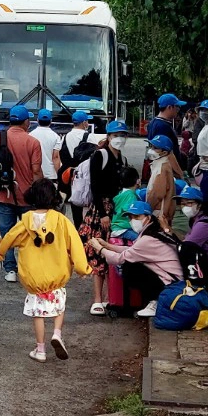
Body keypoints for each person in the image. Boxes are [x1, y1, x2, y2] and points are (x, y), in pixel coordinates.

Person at [0, 180, 91, 362]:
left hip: (34, 278)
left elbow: (10, 238)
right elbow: (75, 245)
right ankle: (57, 334)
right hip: (57, 275)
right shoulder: (62, 222)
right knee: (59, 306)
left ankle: (40, 349)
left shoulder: (26, 221)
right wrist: (83, 268)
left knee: (38, 313)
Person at [91, 199, 184, 319]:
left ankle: (155, 301)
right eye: (130, 217)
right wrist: (107, 246)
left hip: (172, 284)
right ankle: (154, 300)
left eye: (137, 216)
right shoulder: (151, 232)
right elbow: (132, 249)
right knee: (131, 263)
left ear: (148, 217)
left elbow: (120, 259)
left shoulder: (148, 239)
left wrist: (100, 248)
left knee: (130, 267)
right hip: (172, 279)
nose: (133, 220)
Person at [0, 105, 43, 282]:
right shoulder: (32, 142)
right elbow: (36, 171)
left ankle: (10, 269)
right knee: (31, 232)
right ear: (26, 122)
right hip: (27, 196)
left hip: (2, 193)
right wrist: (42, 190)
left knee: (7, 232)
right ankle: (28, 267)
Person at [81, 120, 131, 316]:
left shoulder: (122, 159)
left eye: (123, 135)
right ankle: (97, 299)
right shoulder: (100, 156)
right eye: (116, 135)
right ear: (108, 137)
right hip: (101, 211)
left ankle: (113, 296)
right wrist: (102, 214)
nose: (119, 138)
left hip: (118, 210)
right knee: (98, 254)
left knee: (114, 253)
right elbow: (95, 186)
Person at [143, 133, 185, 225]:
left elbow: (157, 194)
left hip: (158, 214)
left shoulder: (162, 168)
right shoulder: (159, 164)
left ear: (164, 152)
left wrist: (146, 209)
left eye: (155, 148)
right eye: (152, 146)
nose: (151, 150)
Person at [147, 93, 187, 168]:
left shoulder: (154, 122)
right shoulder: (163, 126)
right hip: (166, 167)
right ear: (169, 107)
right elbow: (165, 152)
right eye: (177, 107)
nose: (178, 110)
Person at [30, 109, 62, 186]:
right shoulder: (56, 137)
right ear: (50, 121)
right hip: (51, 176)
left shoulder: (30, 135)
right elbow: (56, 157)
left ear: (37, 120)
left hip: (34, 175)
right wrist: (59, 175)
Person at [108, 172, 143, 242]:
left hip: (116, 228)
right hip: (124, 229)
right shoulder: (131, 196)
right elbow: (133, 214)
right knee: (141, 241)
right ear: (137, 181)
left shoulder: (120, 193)